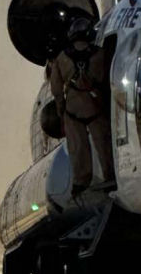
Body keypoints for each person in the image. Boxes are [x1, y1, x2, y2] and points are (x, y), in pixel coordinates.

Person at [49, 17, 115, 197]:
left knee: (78, 148)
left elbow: (56, 88)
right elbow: (107, 79)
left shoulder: (62, 58)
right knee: (104, 144)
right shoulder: (100, 54)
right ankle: (111, 175)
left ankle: (81, 182)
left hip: (73, 111)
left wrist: (61, 110)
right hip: (96, 108)